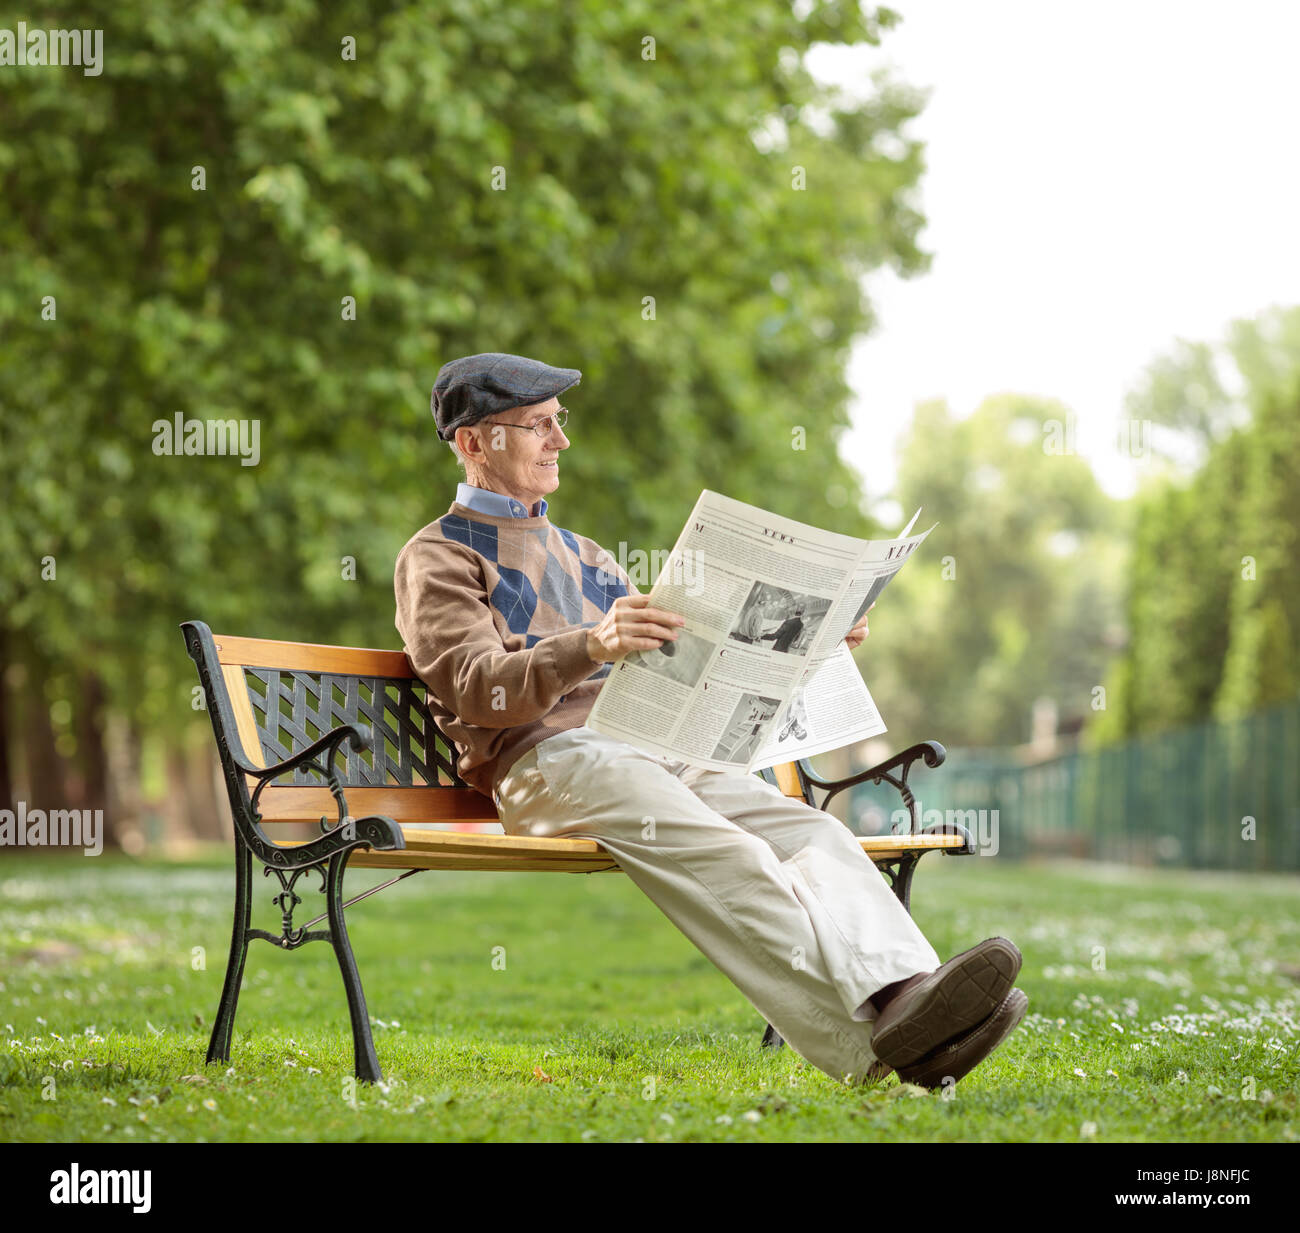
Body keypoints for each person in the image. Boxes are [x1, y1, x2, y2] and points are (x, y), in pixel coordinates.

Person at [393, 351, 1028, 1089]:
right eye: (537, 425)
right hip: (545, 767)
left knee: (813, 832)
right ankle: (894, 1035)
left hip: (649, 750)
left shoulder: (589, 557)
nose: (559, 441)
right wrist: (590, 644)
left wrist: (810, 643)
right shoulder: (437, 557)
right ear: (473, 442)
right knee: (735, 852)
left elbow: (678, 665)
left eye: (558, 423)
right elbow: (475, 691)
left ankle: (914, 995)